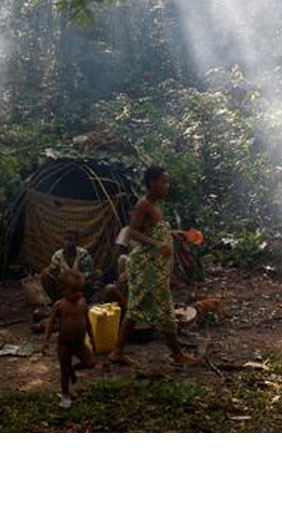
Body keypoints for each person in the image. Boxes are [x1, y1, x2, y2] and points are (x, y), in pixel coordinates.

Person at [108, 166, 199, 366]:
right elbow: (132, 232)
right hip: (146, 266)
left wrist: (174, 234)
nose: (167, 186)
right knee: (164, 309)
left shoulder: (156, 206)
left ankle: (117, 351)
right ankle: (177, 355)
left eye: (168, 182)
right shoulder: (143, 204)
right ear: (152, 183)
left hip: (154, 268)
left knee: (135, 309)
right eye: (164, 182)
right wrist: (158, 244)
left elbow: (151, 230)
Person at [41, 268, 96, 408]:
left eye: (81, 291)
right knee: (63, 372)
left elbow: (88, 322)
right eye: (75, 291)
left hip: (80, 344)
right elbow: (50, 323)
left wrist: (93, 339)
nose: (80, 294)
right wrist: (46, 341)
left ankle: (73, 369)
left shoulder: (83, 302)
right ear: (64, 290)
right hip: (64, 344)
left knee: (90, 362)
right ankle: (65, 396)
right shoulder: (60, 305)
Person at [40, 229, 98, 303]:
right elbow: (53, 272)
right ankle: (57, 301)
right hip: (63, 287)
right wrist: (64, 279)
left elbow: (89, 272)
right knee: (45, 273)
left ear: (76, 242)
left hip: (79, 286)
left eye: (70, 239)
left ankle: (83, 300)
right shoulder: (57, 255)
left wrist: (75, 278)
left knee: (96, 275)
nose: (67, 242)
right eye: (65, 239)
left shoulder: (83, 254)